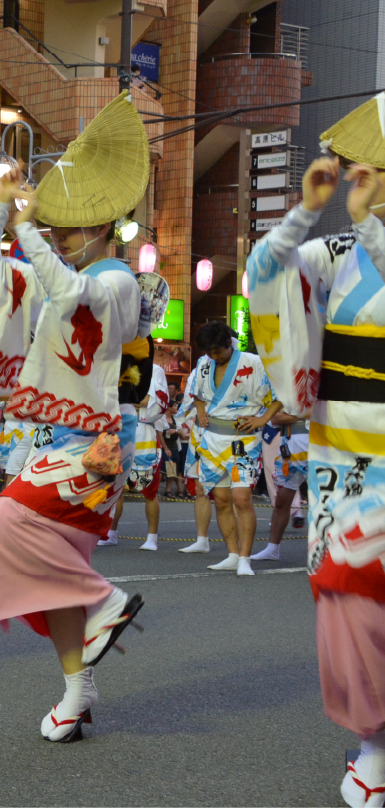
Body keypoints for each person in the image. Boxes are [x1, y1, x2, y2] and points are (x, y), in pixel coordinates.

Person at [0, 92, 150, 742]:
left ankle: (107, 600)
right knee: (51, 579)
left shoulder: (116, 280)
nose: (62, 232)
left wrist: (24, 228)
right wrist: (0, 207)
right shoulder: (59, 276)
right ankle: (77, 690)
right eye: (60, 225)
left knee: (6, 522)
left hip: (93, 445)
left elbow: (73, 291)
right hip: (56, 440)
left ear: (103, 224)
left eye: (72, 225)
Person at [245, 123, 385, 805]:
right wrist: (306, 207)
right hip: (345, 456)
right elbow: (268, 274)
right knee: (347, 596)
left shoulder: (367, 241)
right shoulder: (338, 250)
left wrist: (372, 227)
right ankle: (374, 744)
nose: (367, 182)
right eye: (363, 171)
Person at [181, 320, 281, 575]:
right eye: (209, 352)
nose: (213, 356)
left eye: (217, 351)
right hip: (212, 437)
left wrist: (263, 418)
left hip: (242, 439)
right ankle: (233, 554)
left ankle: (246, 558)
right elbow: (197, 394)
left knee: (242, 497)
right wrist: (201, 412)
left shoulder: (253, 363)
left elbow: (280, 395)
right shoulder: (205, 364)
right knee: (222, 499)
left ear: (229, 345)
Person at [101, 305, 171, 551]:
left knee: (149, 489)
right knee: (113, 486)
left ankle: (152, 536)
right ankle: (110, 531)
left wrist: (126, 399)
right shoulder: (109, 361)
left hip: (143, 432)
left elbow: (155, 404)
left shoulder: (156, 370)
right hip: (116, 427)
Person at [250, 409, 309, 561]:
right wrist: (307, 414)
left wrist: (291, 416)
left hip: (319, 443)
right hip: (290, 443)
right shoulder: (287, 391)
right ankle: (272, 549)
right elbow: (276, 418)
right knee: (282, 499)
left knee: (324, 499)